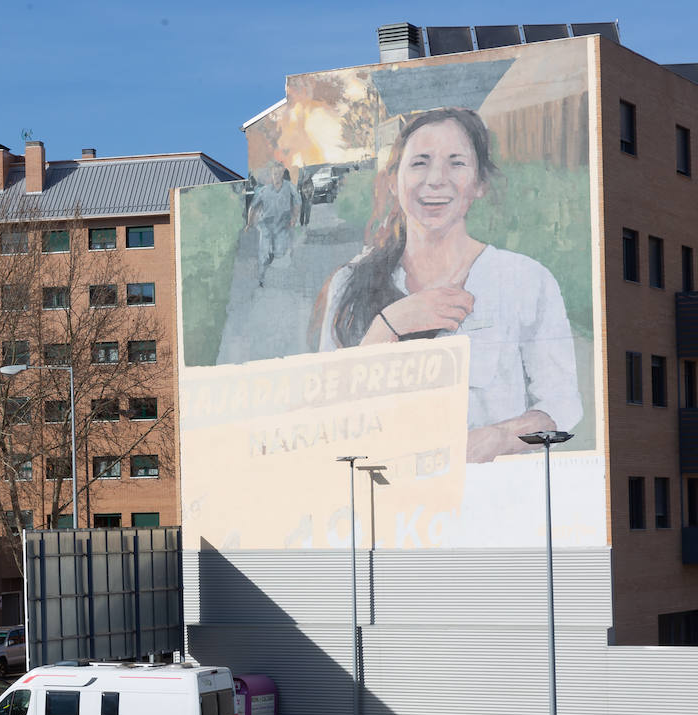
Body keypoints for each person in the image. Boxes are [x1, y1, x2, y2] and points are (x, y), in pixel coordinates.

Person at [309, 107, 581, 463]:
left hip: (492, 501)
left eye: (456, 163)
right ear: (394, 180)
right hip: (381, 499)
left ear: (480, 183)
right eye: (420, 162)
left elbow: (562, 404)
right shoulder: (349, 281)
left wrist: (497, 438)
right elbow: (324, 414)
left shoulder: (525, 280)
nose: (436, 179)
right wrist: (387, 326)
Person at [247, 166, 301, 286]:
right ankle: (261, 277)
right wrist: (249, 223)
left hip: (282, 225)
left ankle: (273, 253)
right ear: (271, 175)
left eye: (278, 174)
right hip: (266, 225)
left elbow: (297, 201)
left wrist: (293, 218)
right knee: (263, 254)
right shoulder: (265, 190)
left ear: (282, 174)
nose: (276, 176)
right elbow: (253, 206)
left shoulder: (289, 187)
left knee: (279, 252)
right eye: (274, 174)